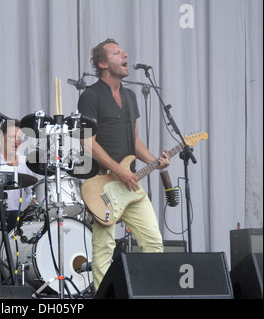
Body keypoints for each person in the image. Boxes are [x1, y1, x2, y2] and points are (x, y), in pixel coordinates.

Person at [77, 38, 170, 291]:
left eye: (124, 52)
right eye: (117, 53)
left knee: (154, 243)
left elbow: (136, 142)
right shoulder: (90, 95)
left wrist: (156, 161)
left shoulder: (130, 96)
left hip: (129, 182)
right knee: (104, 248)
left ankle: (149, 295)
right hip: (102, 184)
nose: (125, 55)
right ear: (103, 63)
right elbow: (88, 143)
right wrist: (119, 171)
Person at [0, 119, 35, 232]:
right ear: (0, 136)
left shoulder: (24, 163)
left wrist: (34, 202)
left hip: (17, 220)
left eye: (19, 137)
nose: (16, 141)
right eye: (12, 137)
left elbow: (30, 193)